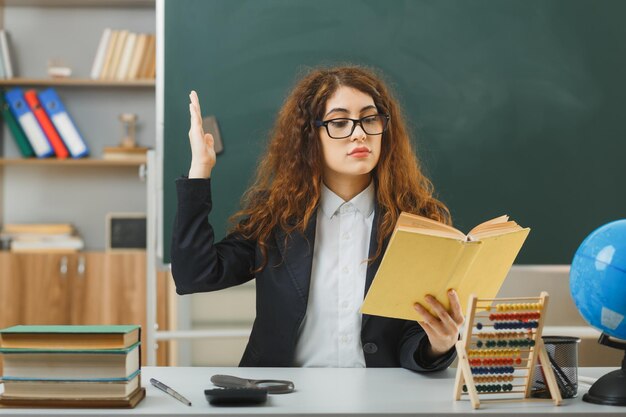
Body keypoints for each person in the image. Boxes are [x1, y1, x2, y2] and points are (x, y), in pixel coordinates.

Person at [171, 65, 464, 370]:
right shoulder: (277, 219)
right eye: (339, 122)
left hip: (380, 400)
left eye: (369, 118)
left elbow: (412, 339)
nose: (360, 133)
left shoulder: (417, 223)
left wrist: (438, 346)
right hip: (285, 397)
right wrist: (199, 172)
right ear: (311, 135)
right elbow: (195, 275)